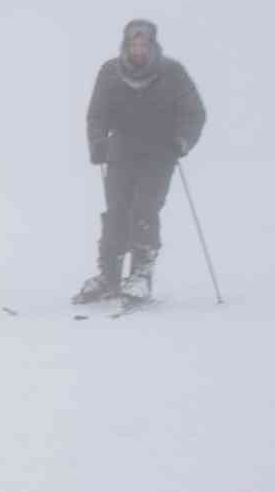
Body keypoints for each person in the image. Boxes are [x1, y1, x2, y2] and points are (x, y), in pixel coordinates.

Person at [74, 19, 206, 304]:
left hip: (159, 153)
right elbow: (97, 113)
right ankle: (108, 276)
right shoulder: (110, 72)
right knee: (116, 211)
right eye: (134, 42)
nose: (138, 47)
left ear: (153, 43)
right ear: (125, 43)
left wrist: (181, 141)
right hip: (120, 151)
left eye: (144, 42)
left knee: (145, 209)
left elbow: (194, 113)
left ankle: (141, 276)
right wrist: (97, 142)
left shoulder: (172, 72)